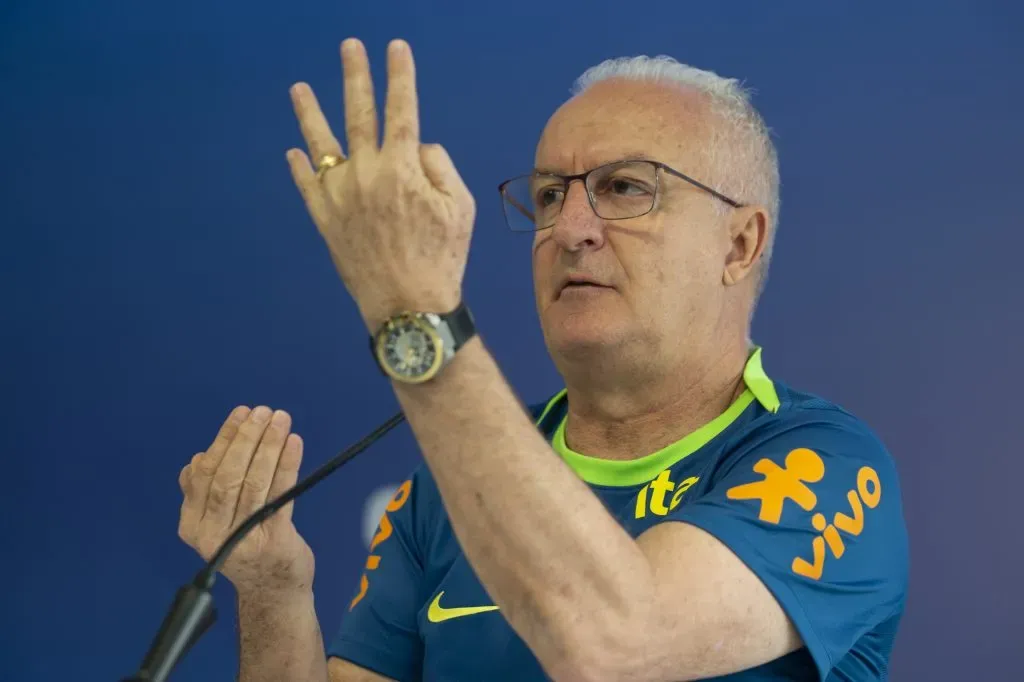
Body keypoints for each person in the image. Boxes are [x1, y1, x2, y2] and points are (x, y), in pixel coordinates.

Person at [176, 37, 909, 682]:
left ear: (738, 245)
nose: (571, 228)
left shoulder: (826, 464)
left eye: (625, 187)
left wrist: (415, 311)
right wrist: (274, 592)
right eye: (551, 195)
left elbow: (614, 643)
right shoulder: (448, 488)